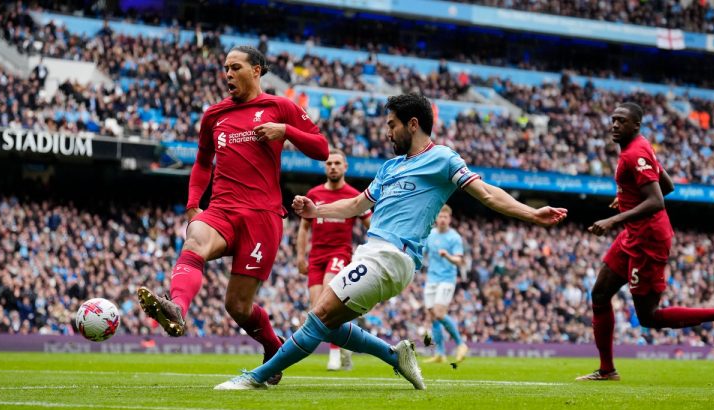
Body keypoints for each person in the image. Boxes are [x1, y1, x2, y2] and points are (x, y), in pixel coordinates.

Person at [213, 93, 567, 391]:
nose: (387, 132)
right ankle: (393, 355)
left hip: (393, 257)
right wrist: (315, 209)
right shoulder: (389, 168)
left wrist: (531, 214)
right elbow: (355, 205)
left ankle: (257, 377)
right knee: (331, 323)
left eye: (392, 124)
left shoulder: (442, 158)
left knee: (318, 316)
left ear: (413, 124)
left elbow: (486, 193)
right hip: (371, 252)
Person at [137, 46, 329, 385]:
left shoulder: (278, 107)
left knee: (237, 307)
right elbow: (201, 163)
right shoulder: (214, 115)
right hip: (222, 210)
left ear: (256, 71)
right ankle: (177, 308)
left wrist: (285, 131)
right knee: (194, 238)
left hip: (262, 218)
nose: (227, 74)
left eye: (235, 67)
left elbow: (321, 148)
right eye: (225, 68)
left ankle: (273, 348)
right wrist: (194, 204)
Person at [576, 102, 714, 381]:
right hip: (633, 234)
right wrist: (626, 198)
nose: (615, 125)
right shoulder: (638, 147)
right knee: (599, 294)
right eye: (613, 120)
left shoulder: (636, 153)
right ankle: (607, 370)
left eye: (621, 121)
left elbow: (657, 200)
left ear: (636, 126)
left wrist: (614, 220)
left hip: (648, 240)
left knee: (648, 317)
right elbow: (667, 186)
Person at [296, 148, 371, 371]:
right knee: (317, 309)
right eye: (329, 163)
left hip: (340, 253)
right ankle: (347, 342)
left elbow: (372, 226)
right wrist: (301, 255)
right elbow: (304, 227)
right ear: (324, 167)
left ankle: (334, 353)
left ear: (345, 167)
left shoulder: (353, 195)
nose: (333, 167)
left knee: (330, 293)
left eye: (337, 163)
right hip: (316, 256)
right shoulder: (314, 194)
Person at [423, 205, 468, 364]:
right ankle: (440, 353)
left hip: (447, 279)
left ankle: (460, 344)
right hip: (431, 279)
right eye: (440, 216)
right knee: (433, 316)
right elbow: (422, 253)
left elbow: (459, 260)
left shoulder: (454, 237)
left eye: (445, 217)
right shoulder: (431, 235)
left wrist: (447, 256)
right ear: (436, 218)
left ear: (449, 219)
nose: (442, 219)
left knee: (440, 313)